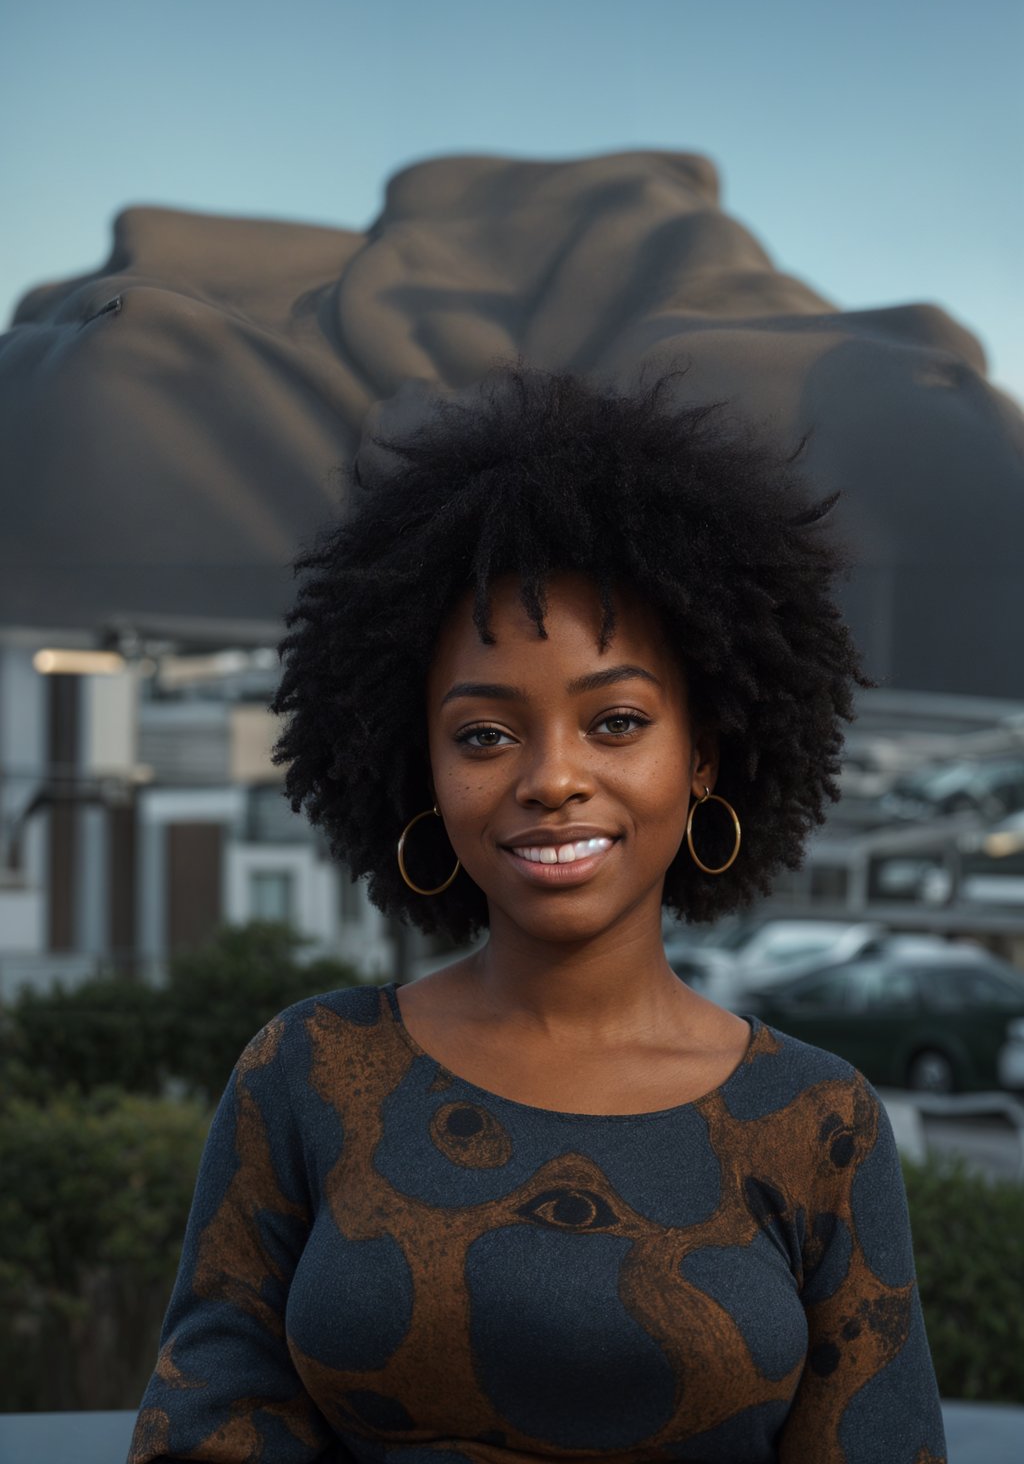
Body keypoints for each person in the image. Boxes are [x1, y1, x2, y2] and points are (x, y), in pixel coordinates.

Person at [129, 368, 947, 1463]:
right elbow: (205, 1429)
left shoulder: (818, 1124)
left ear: (703, 757)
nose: (551, 779)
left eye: (614, 721)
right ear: (415, 764)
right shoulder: (309, 1071)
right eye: (483, 734)